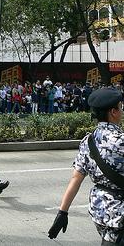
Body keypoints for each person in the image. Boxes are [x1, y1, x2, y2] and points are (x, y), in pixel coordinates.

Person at [48, 88, 124, 245]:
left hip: (100, 209)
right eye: (120, 107)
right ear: (113, 112)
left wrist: (63, 212)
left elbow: (76, 178)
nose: (122, 111)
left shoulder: (88, 141)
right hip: (120, 212)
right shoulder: (121, 141)